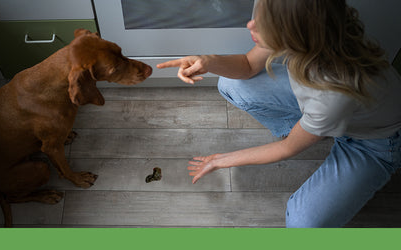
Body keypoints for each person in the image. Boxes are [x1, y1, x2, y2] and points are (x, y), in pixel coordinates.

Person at [157, 0, 401, 228]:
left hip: (373, 143)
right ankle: (305, 129)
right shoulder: (317, 26)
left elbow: (287, 150)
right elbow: (248, 65)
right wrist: (208, 61)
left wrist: (220, 160)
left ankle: (313, 132)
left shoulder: (333, 94)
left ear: (294, 35)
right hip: (332, 109)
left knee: (302, 223)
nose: (251, 24)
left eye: (265, 24)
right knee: (230, 85)